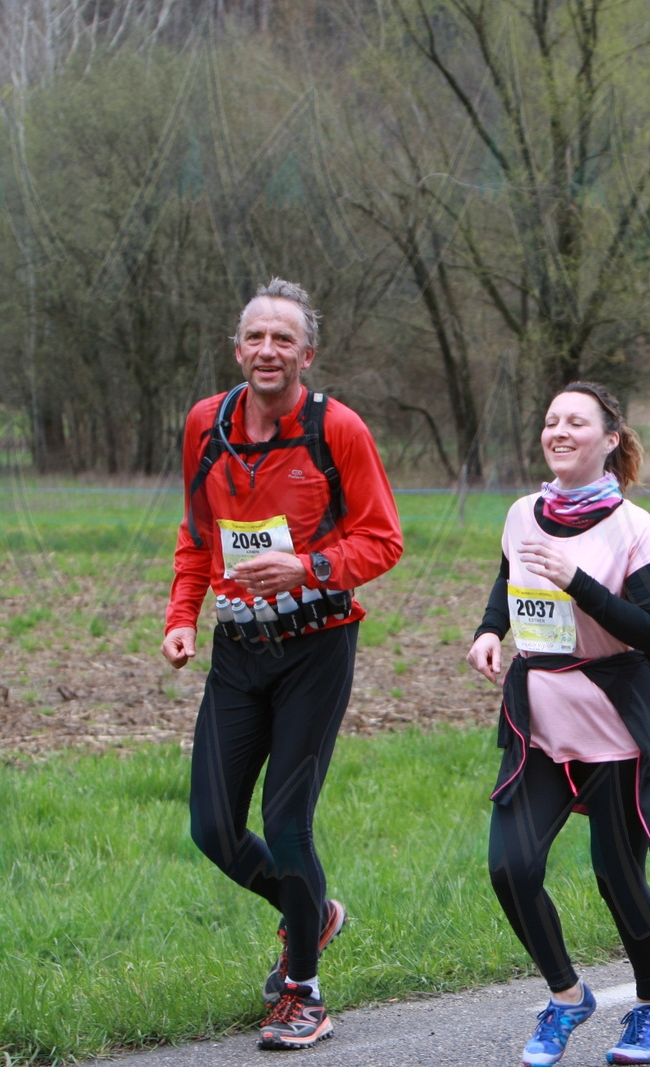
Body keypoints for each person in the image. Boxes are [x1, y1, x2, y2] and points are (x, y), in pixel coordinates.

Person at [162, 278, 403, 1050]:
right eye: (256, 337)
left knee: (286, 822)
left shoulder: (339, 430)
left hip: (316, 647)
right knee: (212, 826)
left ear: (308, 354)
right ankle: (314, 912)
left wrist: (309, 566)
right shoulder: (205, 424)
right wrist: (181, 616)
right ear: (237, 349)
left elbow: (384, 540)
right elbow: (198, 532)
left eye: (284, 339)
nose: (269, 350)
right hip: (238, 649)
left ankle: (304, 992)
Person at [466, 382, 650, 1067]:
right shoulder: (521, 513)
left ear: (609, 440)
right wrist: (489, 630)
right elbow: (510, 579)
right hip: (539, 720)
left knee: (616, 878)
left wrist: (579, 582)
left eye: (576, 422)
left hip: (612, 725)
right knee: (510, 866)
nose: (559, 431)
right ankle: (567, 997)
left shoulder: (635, 528)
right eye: (551, 421)